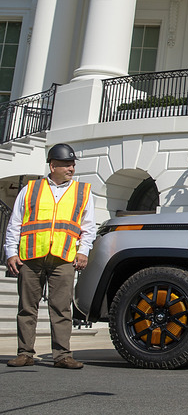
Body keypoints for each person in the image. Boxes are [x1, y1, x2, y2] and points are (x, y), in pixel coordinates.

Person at [4, 143, 96, 369]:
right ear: (52, 165)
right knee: (27, 307)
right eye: (66, 165)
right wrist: (11, 253)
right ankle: (25, 353)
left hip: (63, 258)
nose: (71, 169)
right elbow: (15, 223)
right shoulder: (31, 189)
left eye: (72, 165)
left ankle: (62, 355)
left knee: (62, 308)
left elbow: (89, 227)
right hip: (31, 256)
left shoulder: (82, 191)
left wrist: (83, 251)